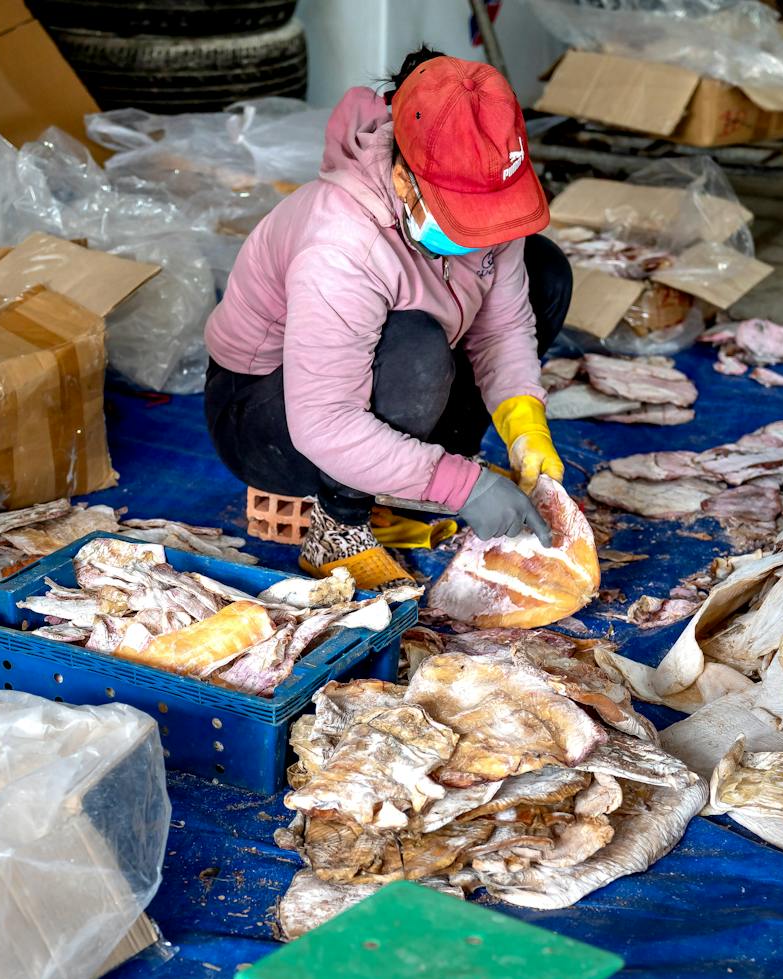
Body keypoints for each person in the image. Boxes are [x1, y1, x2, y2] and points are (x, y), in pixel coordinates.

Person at [204, 48, 573, 590]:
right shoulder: (341, 242)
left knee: (546, 269)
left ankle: (414, 474)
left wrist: (525, 424)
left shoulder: (485, 184)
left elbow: (503, 327)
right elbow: (325, 422)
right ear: (403, 179)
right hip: (268, 413)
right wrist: (467, 489)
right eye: (464, 214)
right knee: (416, 347)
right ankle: (340, 524)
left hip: (384, 375)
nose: (484, 233)